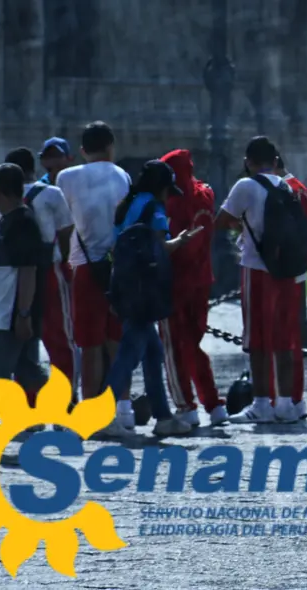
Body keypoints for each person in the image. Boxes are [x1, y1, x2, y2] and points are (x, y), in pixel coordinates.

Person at [101, 160, 198, 438]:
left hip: (123, 282)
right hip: (144, 288)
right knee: (130, 352)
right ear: (161, 188)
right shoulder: (154, 209)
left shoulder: (127, 204)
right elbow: (160, 248)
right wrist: (181, 240)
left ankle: (163, 416)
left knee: (153, 352)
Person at [215, 136, 306, 423]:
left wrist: (242, 224)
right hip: (286, 270)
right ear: (275, 160)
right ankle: (286, 403)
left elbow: (221, 220)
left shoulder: (246, 185)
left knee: (256, 339)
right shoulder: (287, 186)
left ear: (248, 161)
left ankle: (262, 403)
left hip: (257, 268)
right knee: (283, 339)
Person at [0, 148, 78, 402]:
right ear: (33, 168)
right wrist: (63, 258)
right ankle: (65, 399)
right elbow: (66, 232)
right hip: (49, 270)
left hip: (15, 276)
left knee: (22, 340)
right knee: (60, 338)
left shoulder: (2, 198)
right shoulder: (51, 193)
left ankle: (29, 403)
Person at [56, 122, 131, 419]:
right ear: (111, 146)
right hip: (118, 266)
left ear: (82, 150)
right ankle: (122, 406)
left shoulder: (66, 177)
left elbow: (63, 222)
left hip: (84, 265)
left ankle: (90, 408)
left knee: (89, 344)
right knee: (116, 341)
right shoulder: (122, 175)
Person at [158, 149, 227, 427]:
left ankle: (185, 405)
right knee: (193, 344)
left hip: (173, 281)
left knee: (173, 346)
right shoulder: (206, 194)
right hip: (201, 280)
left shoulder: (171, 202)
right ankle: (213, 403)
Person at [0, 163, 48, 423]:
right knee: (27, 373)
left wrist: (23, 314)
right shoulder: (10, 221)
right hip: (1, 313)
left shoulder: (22, 223)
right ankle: (71, 408)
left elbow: (28, 271)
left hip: (8, 315)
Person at [273, 149, 307, 420]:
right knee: (293, 336)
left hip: (285, 268)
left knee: (284, 337)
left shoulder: (284, 190)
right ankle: (294, 396)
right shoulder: (301, 188)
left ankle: (286, 395)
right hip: (299, 265)